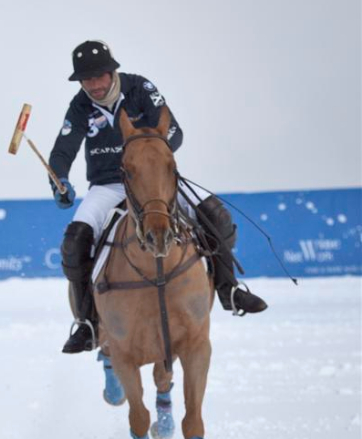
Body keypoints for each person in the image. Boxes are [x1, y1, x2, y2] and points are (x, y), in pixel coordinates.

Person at [48, 40, 267, 355]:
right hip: (109, 186)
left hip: (154, 181)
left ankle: (228, 289)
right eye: (87, 79)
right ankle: (88, 322)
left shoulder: (140, 88)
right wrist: (59, 181)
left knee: (215, 215)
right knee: (74, 241)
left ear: (112, 72)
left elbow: (175, 132)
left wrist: (145, 150)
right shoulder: (80, 106)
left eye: (100, 76)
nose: (94, 85)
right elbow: (63, 149)